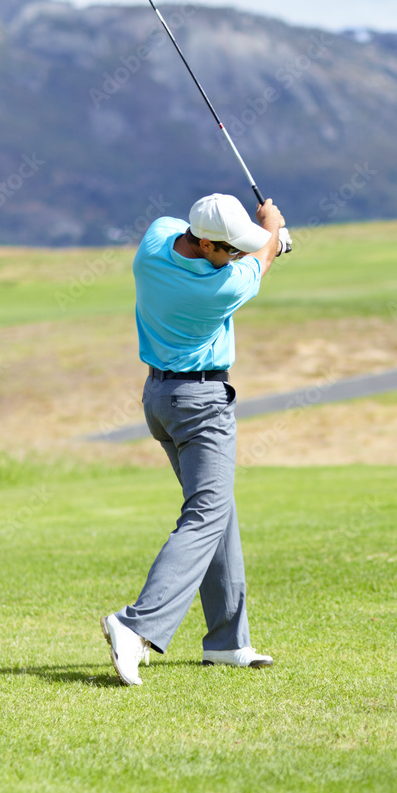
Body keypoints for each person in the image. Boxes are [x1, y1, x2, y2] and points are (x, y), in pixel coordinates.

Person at [101, 192, 286, 685]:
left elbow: (249, 254)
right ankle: (135, 623)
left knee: (216, 508)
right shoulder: (218, 290)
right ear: (206, 244)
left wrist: (261, 238)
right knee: (205, 516)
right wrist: (274, 233)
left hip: (159, 400)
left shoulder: (155, 240)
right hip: (201, 405)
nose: (235, 256)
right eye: (229, 249)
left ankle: (228, 642)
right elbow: (260, 262)